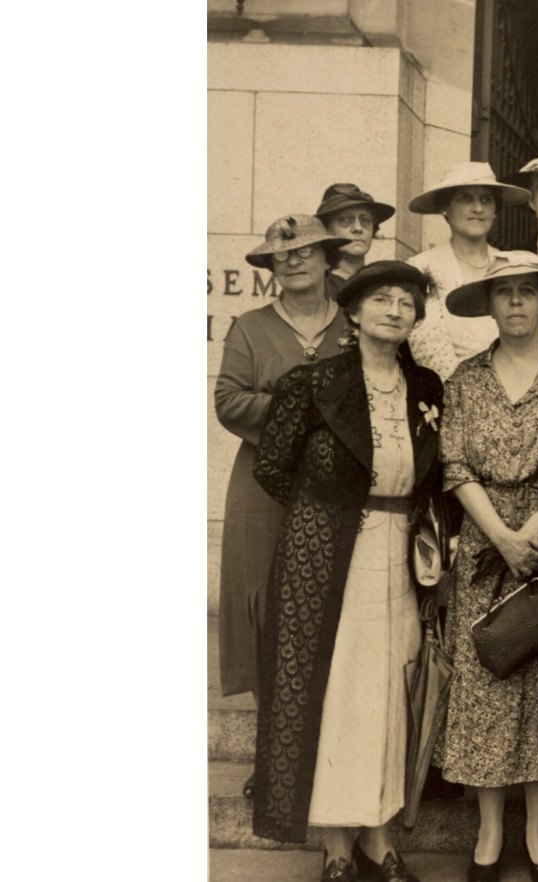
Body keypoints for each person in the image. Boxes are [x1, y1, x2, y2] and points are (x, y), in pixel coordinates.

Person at [250, 261, 444, 882]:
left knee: (392, 685)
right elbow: (273, 468)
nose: (394, 309)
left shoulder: (428, 388)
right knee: (336, 688)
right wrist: (325, 517)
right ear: (353, 313)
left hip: (400, 554)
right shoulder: (313, 382)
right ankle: (337, 845)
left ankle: (380, 839)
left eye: (407, 302)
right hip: (331, 552)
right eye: (380, 299)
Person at [435, 255, 538, 882]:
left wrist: (534, 530)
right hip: (484, 544)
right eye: (503, 293)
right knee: (487, 680)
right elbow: (454, 465)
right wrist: (501, 536)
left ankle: (536, 836)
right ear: (490, 305)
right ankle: (488, 835)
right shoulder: (464, 379)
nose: (516, 304)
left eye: (527, 292)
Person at [216, 215, 352, 803]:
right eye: (282, 257)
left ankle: (331, 753)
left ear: (328, 259)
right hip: (264, 488)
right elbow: (228, 400)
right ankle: (272, 756)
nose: (294, 262)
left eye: (306, 252)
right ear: (271, 269)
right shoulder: (250, 326)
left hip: (339, 486)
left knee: (337, 612)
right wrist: (300, 406)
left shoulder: (353, 319)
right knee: (265, 610)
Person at [405, 161, 532, 380]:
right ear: (445, 207)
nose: (478, 208)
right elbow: (429, 350)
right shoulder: (422, 268)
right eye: (465, 199)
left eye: (486, 200)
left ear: (495, 210)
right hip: (449, 395)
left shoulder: (512, 266)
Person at [315, 183, 396, 294]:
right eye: (346, 220)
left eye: (366, 220)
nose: (358, 228)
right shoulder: (315, 287)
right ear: (326, 229)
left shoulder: (383, 286)